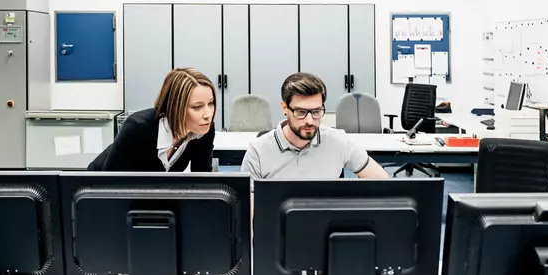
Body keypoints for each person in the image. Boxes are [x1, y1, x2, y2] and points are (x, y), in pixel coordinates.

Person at [241, 72, 389, 182]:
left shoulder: (338, 141)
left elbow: (383, 182)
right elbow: (248, 214)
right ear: (285, 108)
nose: (310, 120)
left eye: (317, 111)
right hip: (278, 224)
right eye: (301, 112)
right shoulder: (258, 151)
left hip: (327, 223)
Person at [87, 68, 216, 172]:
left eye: (211, 103)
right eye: (197, 107)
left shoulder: (203, 130)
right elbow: (109, 186)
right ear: (175, 107)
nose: (208, 114)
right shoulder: (137, 127)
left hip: (147, 197)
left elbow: (202, 180)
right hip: (95, 192)